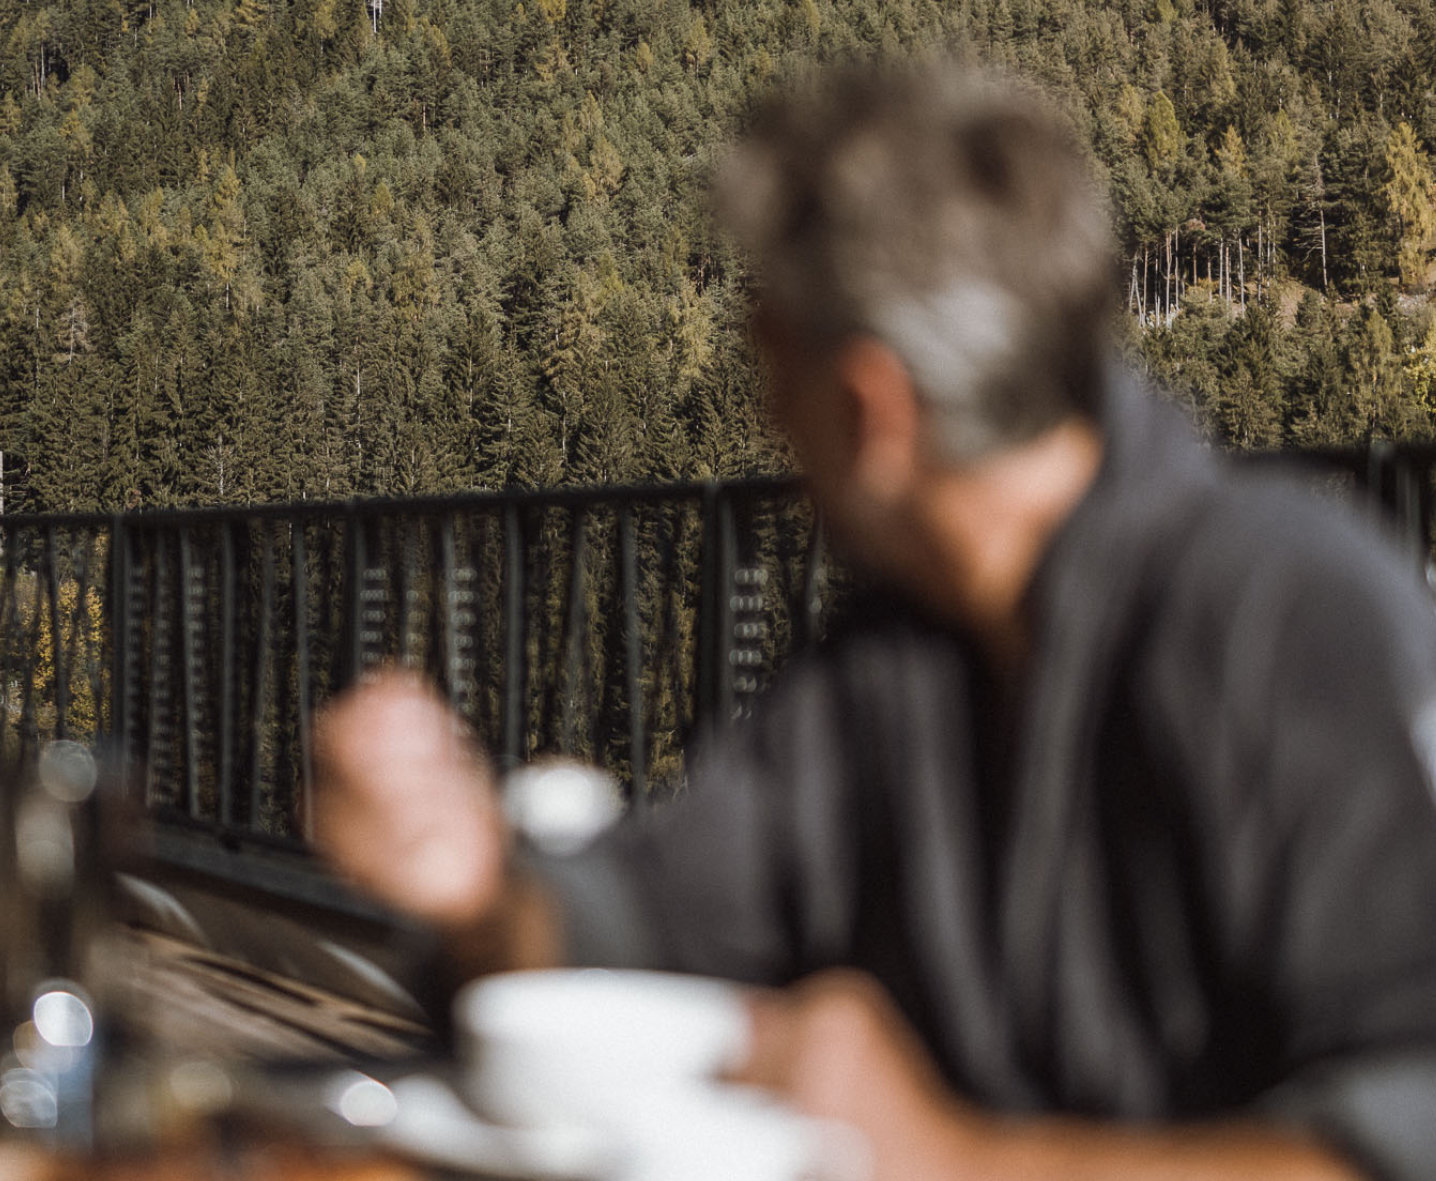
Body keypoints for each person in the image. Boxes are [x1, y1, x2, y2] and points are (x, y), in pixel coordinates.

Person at [311, 64, 1436, 1181]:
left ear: (870, 409)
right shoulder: (884, 667)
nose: (765, 418)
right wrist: (477, 893)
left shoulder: (1291, 619)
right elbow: (634, 921)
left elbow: (1408, 1119)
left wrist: (961, 1158)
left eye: (773, 367)